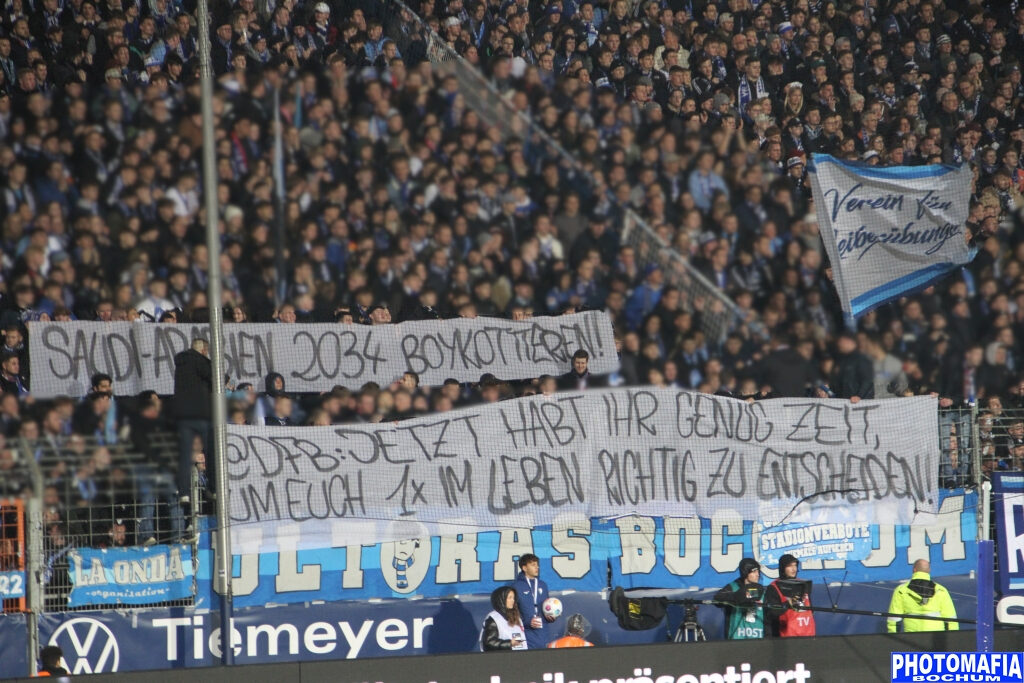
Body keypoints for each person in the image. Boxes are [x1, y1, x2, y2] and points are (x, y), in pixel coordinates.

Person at [172, 338, 212, 504]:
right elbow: (214, 376)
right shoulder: (201, 362)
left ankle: (183, 492)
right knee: (211, 450)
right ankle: (213, 488)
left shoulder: (181, 365)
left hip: (183, 415)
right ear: (203, 351)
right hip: (200, 413)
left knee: (185, 454)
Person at [887, 559, 958, 633]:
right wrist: (951, 640)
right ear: (929, 570)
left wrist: (893, 638)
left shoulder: (901, 590)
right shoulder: (941, 590)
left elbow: (894, 620)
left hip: (911, 638)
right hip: (936, 638)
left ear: (914, 570)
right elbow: (951, 620)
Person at [714, 557, 767, 640]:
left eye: (758, 571)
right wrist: (736, 597)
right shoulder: (733, 587)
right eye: (754, 571)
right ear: (745, 572)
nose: (758, 574)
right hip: (736, 638)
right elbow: (717, 600)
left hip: (758, 637)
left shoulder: (761, 590)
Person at [766, 554, 816, 637]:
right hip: (788, 636)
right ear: (783, 568)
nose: (794, 569)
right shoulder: (774, 587)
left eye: (795, 565)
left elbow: (810, 609)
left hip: (809, 633)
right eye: (790, 566)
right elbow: (772, 613)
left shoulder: (803, 584)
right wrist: (789, 603)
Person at [513, 553, 554, 649]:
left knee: (543, 660)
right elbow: (512, 612)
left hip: (542, 633)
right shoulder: (516, 587)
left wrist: (550, 616)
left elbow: (546, 607)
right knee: (522, 661)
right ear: (524, 568)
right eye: (533, 565)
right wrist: (527, 622)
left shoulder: (543, 585)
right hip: (523, 632)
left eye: (537, 565)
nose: (537, 567)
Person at [480, 585, 527, 651]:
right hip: (500, 659)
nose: (512, 600)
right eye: (510, 598)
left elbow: (521, 640)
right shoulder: (494, 618)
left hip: (518, 657)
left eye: (513, 598)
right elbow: (488, 642)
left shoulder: (517, 618)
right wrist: (509, 643)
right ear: (502, 599)